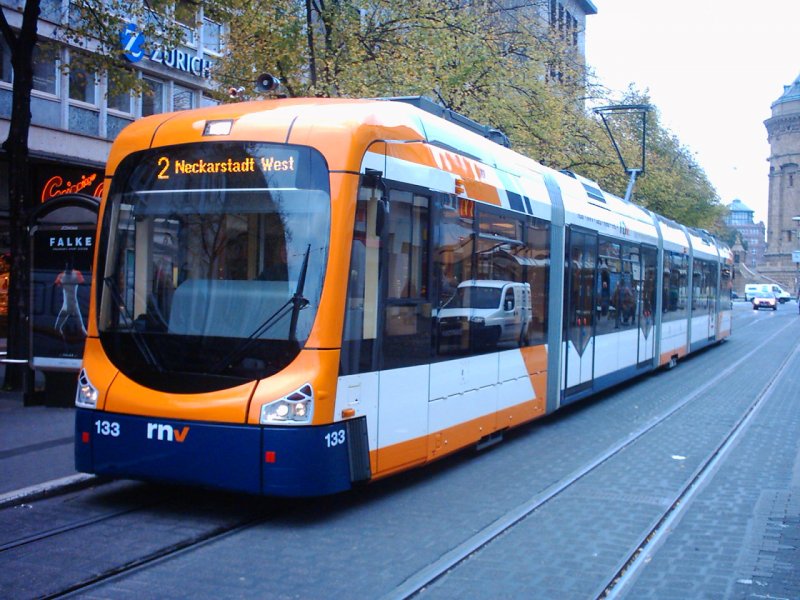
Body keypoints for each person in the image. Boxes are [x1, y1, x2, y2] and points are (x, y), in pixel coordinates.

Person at [54, 263, 87, 337]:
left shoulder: (62, 275)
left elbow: (56, 284)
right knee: (82, 329)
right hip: (72, 305)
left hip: (68, 306)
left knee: (57, 327)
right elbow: (83, 283)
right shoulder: (76, 274)